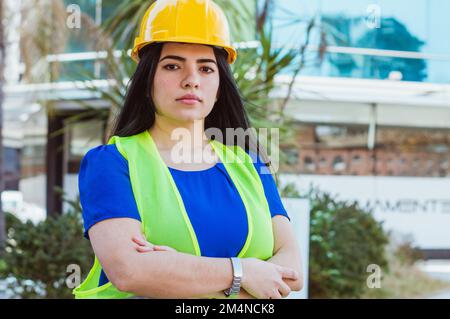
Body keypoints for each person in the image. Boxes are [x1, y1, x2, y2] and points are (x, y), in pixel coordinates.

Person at [73, 0, 303, 299]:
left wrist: (177, 273)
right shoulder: (112, 163)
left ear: (220, 86)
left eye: (206, 68)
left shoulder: (251, 164)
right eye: (172, 66)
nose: (191, 80)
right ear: (147, 80)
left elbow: (291, 271)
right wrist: (243, 273)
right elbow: (130, 271)